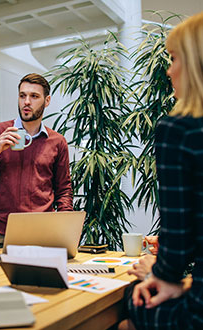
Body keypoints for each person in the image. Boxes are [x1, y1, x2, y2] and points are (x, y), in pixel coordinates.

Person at [119, 12, 203, 330]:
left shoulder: (179, 128)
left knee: (131, 303)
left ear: (195, 65)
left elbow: (178, 240)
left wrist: (161, 273)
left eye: (174, 58)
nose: (169, 70)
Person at [0, 73, 73, 249]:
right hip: (3, 237)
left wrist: (65, 229)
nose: (27, 102)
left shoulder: (57, 141)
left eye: (34, 96)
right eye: (22, 96)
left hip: (44, 236)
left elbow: (63, 190)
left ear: (47, 101)